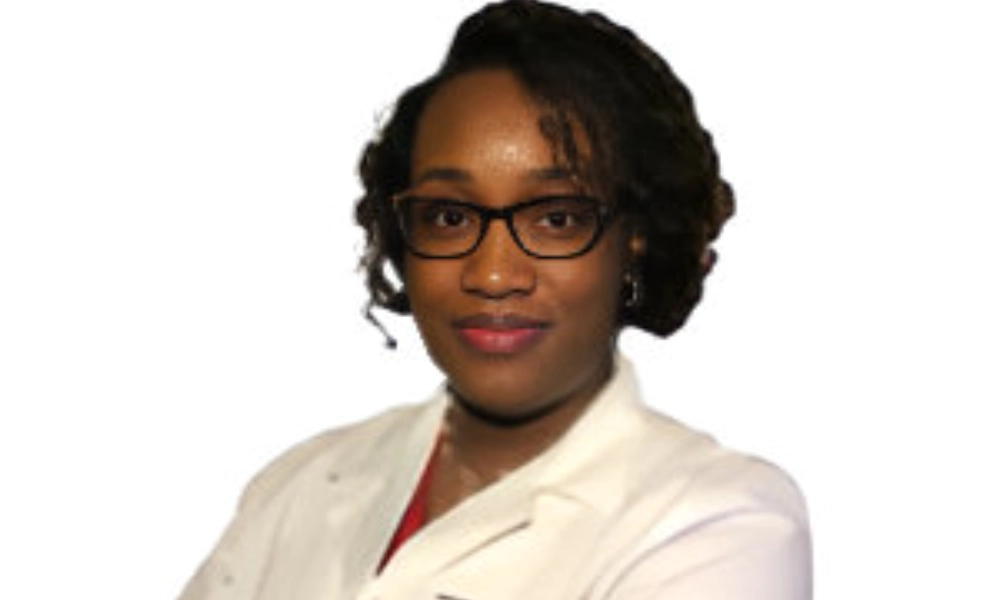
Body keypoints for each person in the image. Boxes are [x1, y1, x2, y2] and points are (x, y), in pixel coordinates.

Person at [178, 1, 811, 598]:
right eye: (450, 217)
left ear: (634, 240)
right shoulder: (299, 485)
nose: (494, 273)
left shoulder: (717, 521)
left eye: (556, 218)